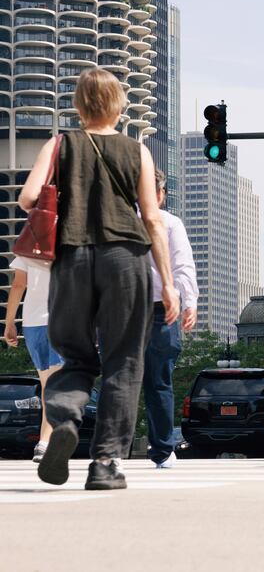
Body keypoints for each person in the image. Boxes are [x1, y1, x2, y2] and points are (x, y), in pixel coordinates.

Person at [20, 67, 178, 490]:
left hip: (71, 258)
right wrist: (168, 281)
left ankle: (67, 418)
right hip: (126, 259)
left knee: (74, 357)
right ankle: (105, 463)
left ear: (78, 104)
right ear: (120, 105)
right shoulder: (137, 150)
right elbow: (153, 219)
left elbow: (28, 198)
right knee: (124, 362)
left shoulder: (60, 144)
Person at [142, 169, 199, 470]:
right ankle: (163, 451)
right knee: (159, 382)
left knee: (120, 380)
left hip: (123, 310)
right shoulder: (170, 222)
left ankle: (111, 449)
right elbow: (183, 265)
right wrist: (189, 302)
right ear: (161, 193)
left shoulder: (119, 218)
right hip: (161, 311)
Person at [3, 256, 62, 462]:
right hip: (64, 320)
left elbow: (19, 284)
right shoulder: (73, 240)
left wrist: (9, 322)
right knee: (56, 384)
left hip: (32, 323)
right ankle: (46, 442)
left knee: (48, 384)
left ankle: (47, 440)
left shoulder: (28, 245)